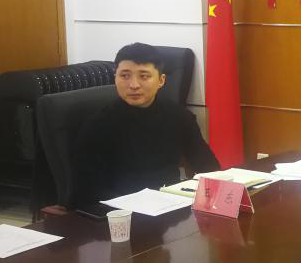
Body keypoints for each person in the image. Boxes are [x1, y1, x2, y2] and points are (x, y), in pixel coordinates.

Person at [74, 43, 219, 208]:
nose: (134, 85)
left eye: (144, 76)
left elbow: (208, 166)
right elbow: (88, 191)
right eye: (125, 76)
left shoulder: (179, 116)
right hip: (121, 210)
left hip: (171, 205)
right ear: (115, 77)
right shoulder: (98, 126)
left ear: (161, 80)